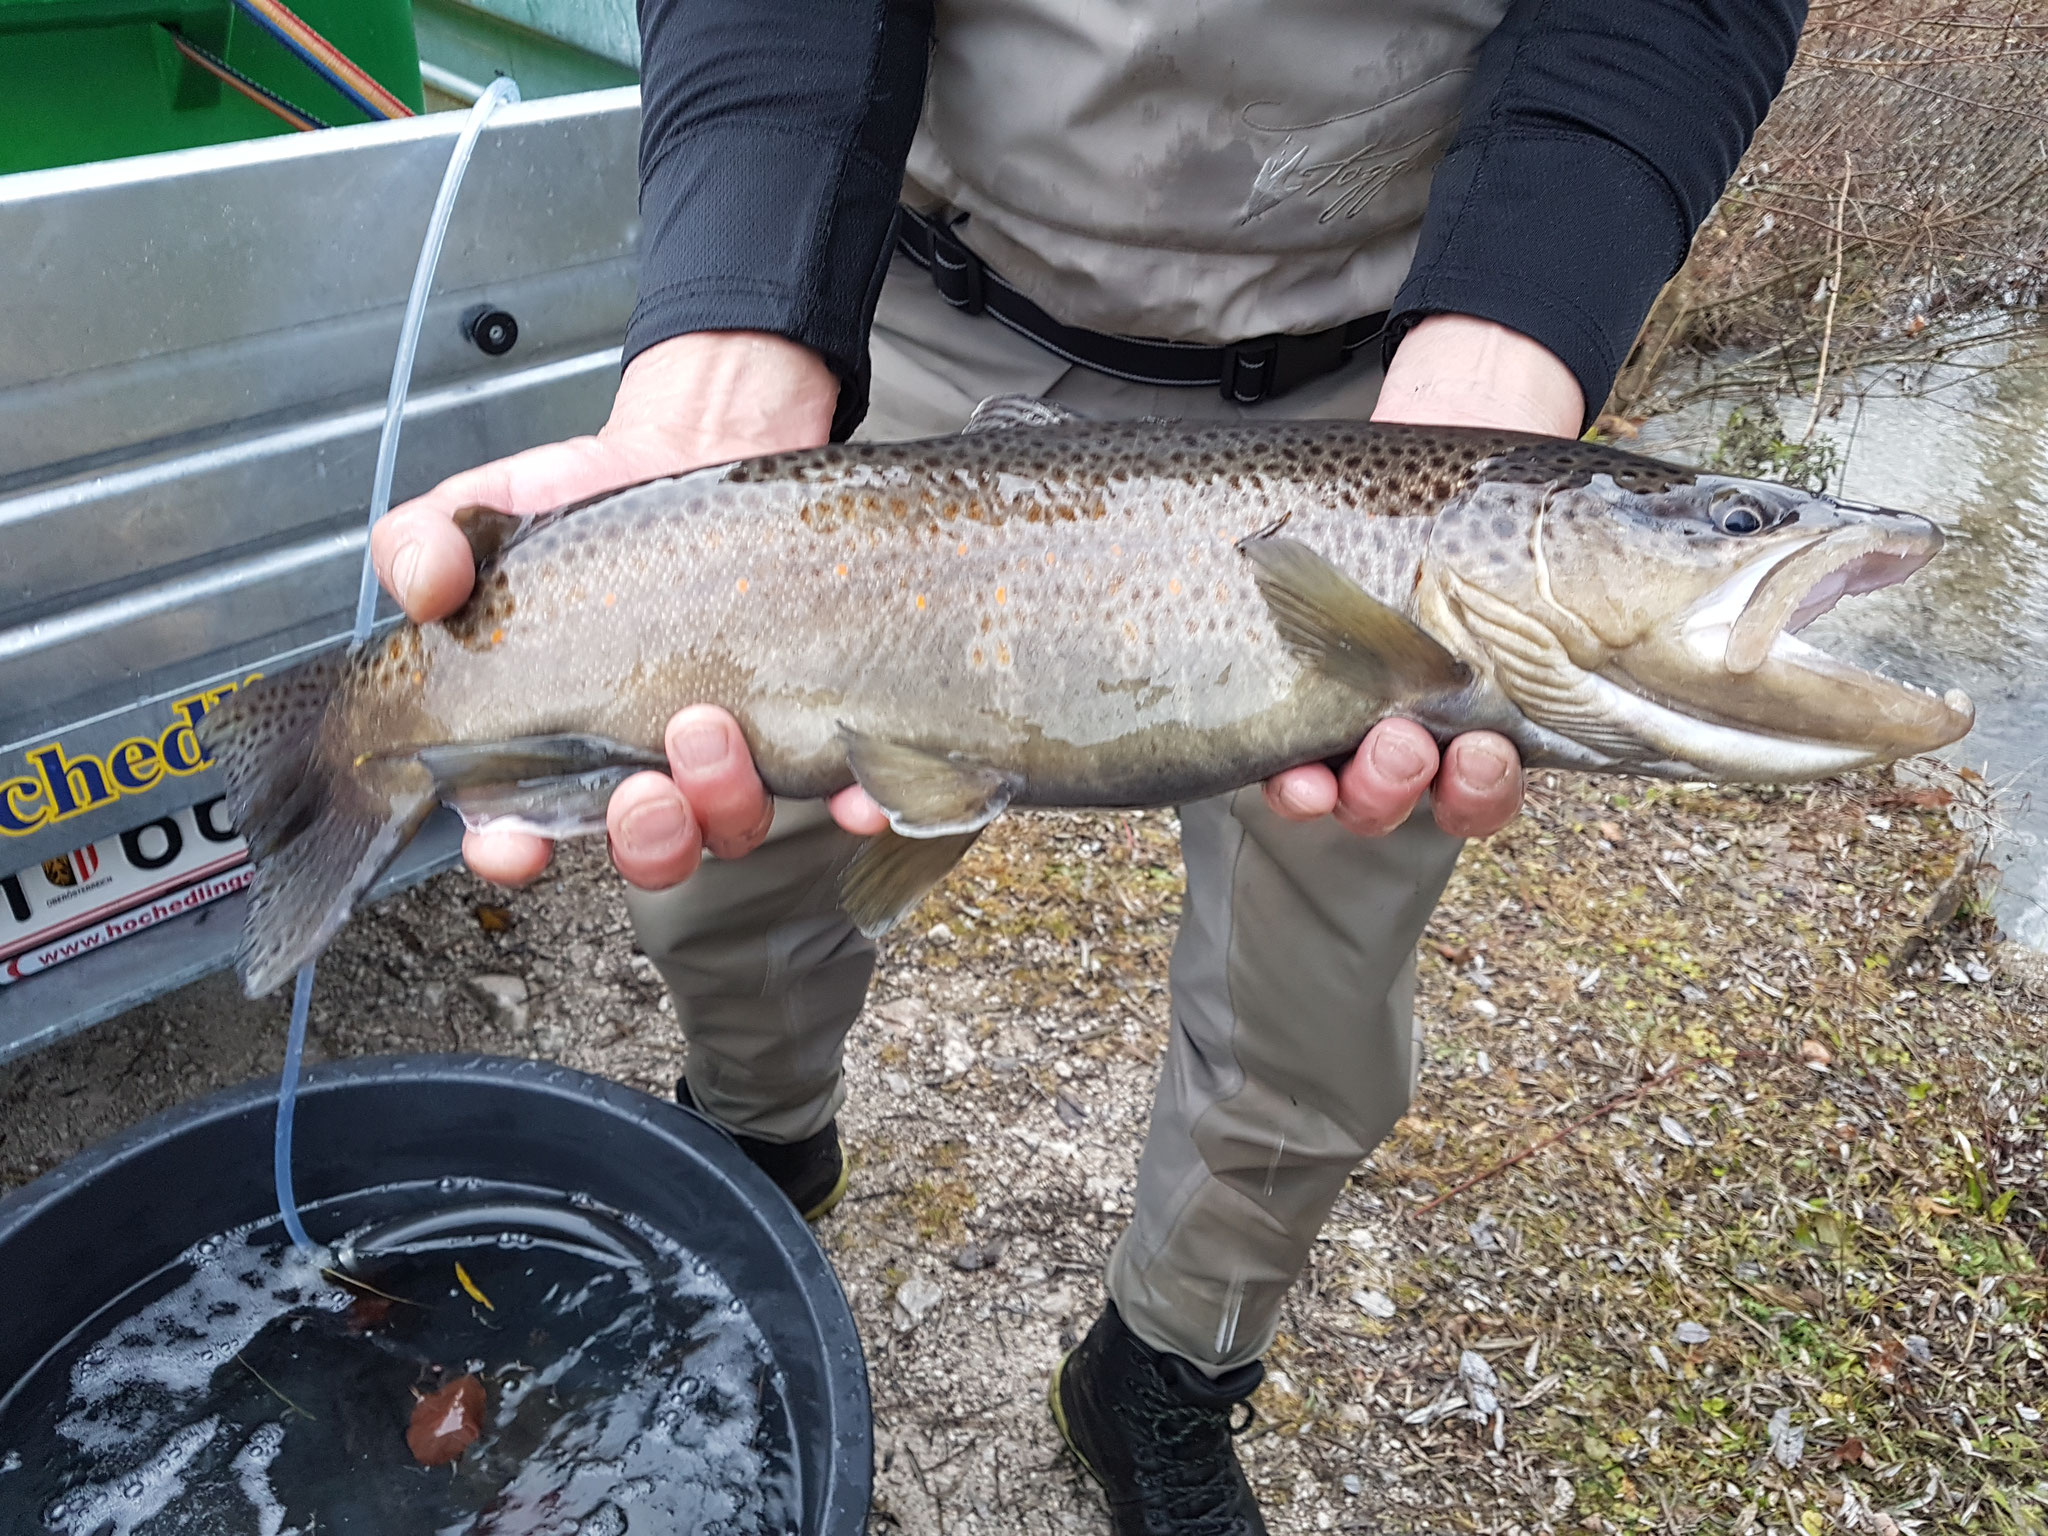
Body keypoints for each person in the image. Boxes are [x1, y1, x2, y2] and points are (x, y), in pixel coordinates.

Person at [372, 2, 1803, 1528]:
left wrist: (1506, 372)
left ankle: (1163, 1378)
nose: (1750, 546)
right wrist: (733, 335)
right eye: (1727, 526)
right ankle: (758, 1142)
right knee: (728, 859)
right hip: (898, 303)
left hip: (1401, 405)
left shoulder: (1470, 486)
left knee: (1312, 1013)